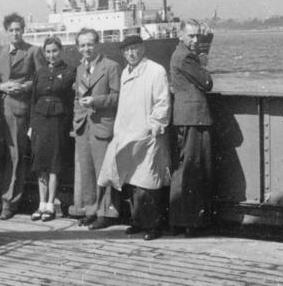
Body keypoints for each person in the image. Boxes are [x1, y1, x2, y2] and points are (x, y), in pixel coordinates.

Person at [98, 35, 171, 241]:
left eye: (135, 49)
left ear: (143, 49)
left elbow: (162, 102)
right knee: (131, 180)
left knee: (149, 182)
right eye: (127, 50)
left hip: (147, 135)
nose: (131, 53)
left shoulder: (156, 71)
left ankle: (154, 225)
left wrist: (155, 126)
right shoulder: (125, 72)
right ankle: (137, 221)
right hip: (127, 133)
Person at [0, 13, 44, 220]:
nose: (15, 33)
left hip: (19, 110)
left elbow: (40, 78)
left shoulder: (33, 51)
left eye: (18, 29)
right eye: (11, 30)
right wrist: (1, 86)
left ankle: (9, 202)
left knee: (16, 155)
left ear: (23, 30)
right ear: (6, 31)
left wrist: (23, 86)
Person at [168, 19, 214, 237]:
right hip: (193, 118)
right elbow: (206, 83)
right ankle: (190, 221)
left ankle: (179, 219)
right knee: (192, 170)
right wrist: (203, 64)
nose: (195, 40)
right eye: (191, 36)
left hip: (187, 117)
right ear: (181, 35)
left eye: (197, 36)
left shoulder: (178, 53)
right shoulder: (186, 56)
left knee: (184, 169)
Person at [73, 28, 121, 230]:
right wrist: (76, 120)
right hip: (84, 127)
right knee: (87, 171)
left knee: (105, 170)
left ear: (97, 45)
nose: (87, 49)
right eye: (82, 45)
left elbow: (117, 97)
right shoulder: (79, 69)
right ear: (78, 48)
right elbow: (76, 98)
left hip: (102, 124)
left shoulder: (111, 66)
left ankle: (106, 212)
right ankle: (91, 210)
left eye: (90, 44)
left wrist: (96, 101)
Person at [29, 36, 75, 222]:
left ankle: (51, 205)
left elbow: (71, 102)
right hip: (40, 121)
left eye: (54, 51)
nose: (51, 55)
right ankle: (41, 204)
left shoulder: (70, 71)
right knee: (40, 163)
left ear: (60, 51)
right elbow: (33, 100)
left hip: (58, 122)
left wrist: (69, 124)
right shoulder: (39, 73)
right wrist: (32, 125)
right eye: (48, 52)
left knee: (54, 163)